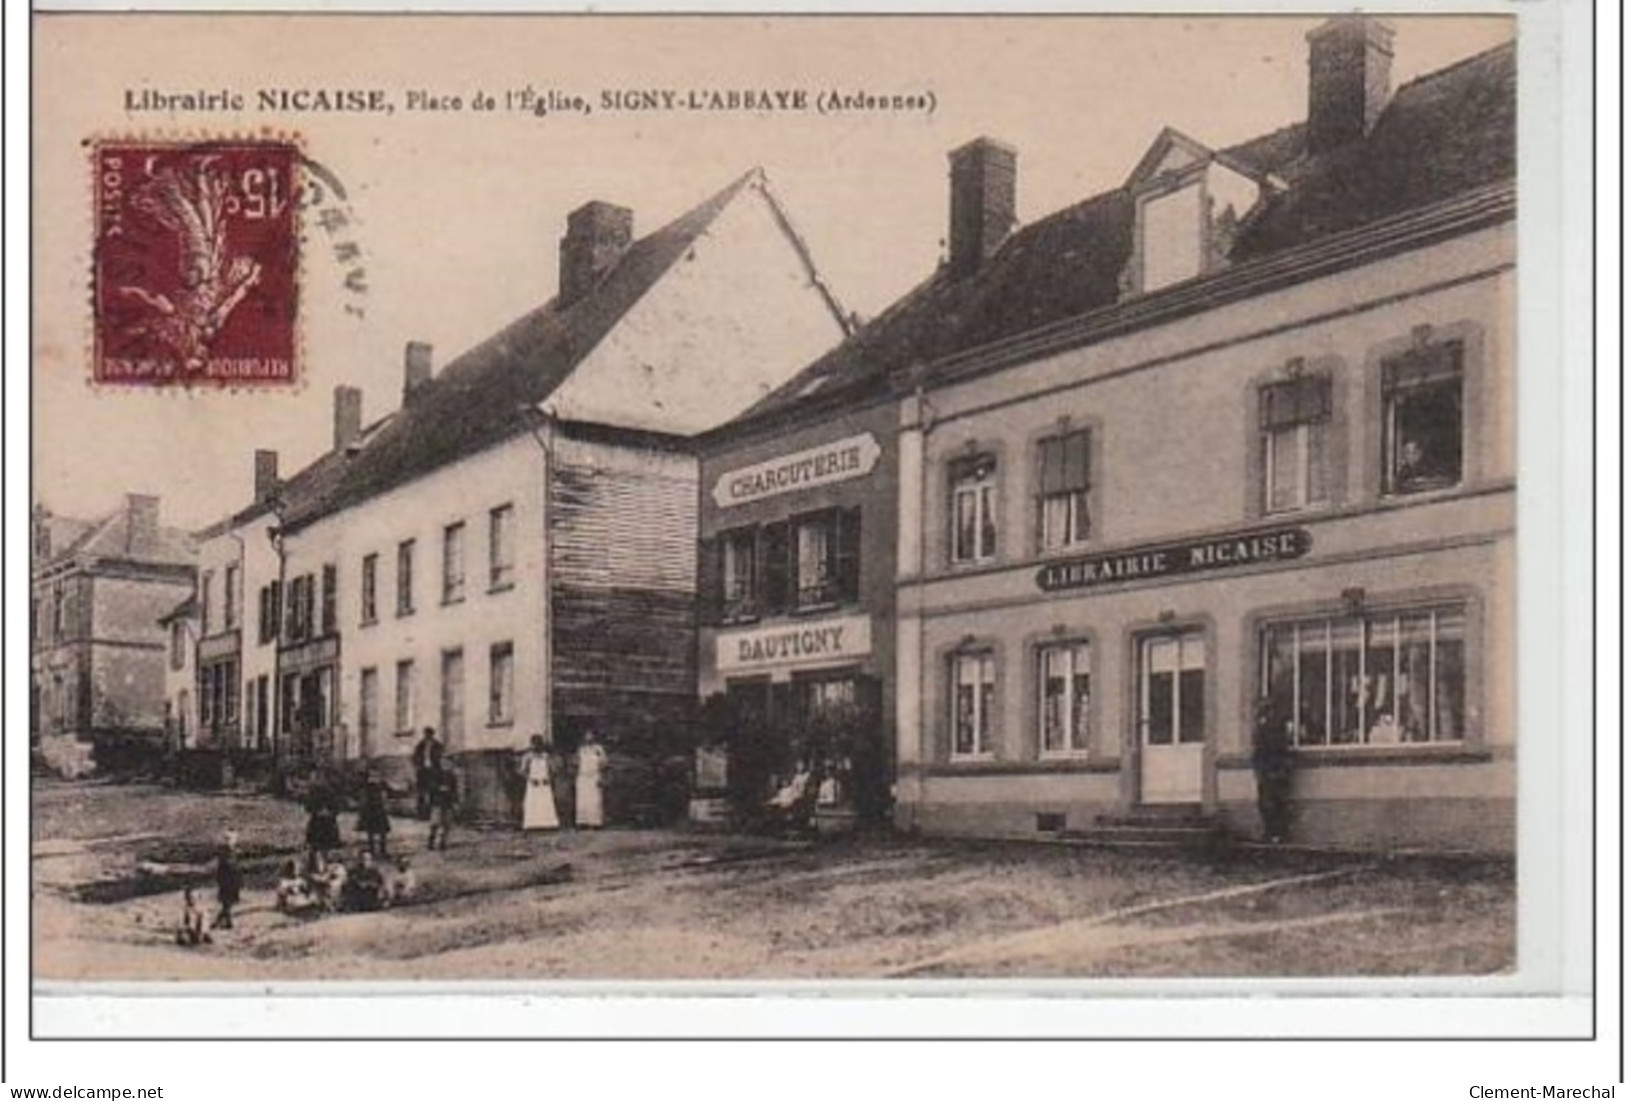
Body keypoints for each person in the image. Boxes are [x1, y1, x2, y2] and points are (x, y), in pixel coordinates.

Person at [1252, 693, 1296, 844]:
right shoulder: (1267, 727)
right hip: (1271, 769)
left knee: (1272, 803)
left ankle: (1275, 833)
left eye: (1265, 710)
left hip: (1272, 768)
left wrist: (1268, 770)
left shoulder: (1271, 728)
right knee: (1272, 803)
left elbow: (1270, 749)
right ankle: (1274, 833)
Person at [519, 736, 559, 832]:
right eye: (534, 744)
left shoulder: (546, 756)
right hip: (533, 783)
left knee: (545, 802)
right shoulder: (527, 757)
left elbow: (553, 769)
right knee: (533, 803)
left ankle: (547, 823)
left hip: (544, 782)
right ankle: (532, 824)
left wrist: (549, 778)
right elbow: (522, 771)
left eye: (538, 744)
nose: (536, 746)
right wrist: (530, 779)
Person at [575, 732, 607, 829]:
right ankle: (582, 822)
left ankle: (595, 822)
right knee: (582, 800)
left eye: (590, 736)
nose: (588, 739)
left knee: (595, 800)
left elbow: (604, 763)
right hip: (583, 776)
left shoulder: (598, 749)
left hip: (594, 776)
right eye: (586, 737)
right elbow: (577, 762)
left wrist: (601, 776)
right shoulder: (581, 749)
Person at [304, 786, 342, 867]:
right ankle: (314, 864)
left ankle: (327, 864)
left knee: (328, 847)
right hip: (317, 823)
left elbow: (338, 808)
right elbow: (308, 807)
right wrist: (317, 811)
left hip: (328, 823)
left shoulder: (333, 792)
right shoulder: (314, 792)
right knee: (315, 846)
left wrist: (330, 812)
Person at [212, 830, 242, 930]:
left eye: (233, 839)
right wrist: (220, 880)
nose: (230, 841)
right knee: (227, 902)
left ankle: (219, 921)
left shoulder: (234, 852)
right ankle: (227, 922)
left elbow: (236, 867)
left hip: (233, 879)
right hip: (226, 880)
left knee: (229, 903)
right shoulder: (223, 853)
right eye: (228, 839)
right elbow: (221, 868)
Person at [427, 761, 461, 851]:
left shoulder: (452, 777)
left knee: (447, 824)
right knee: (435, 823)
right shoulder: (435, 774)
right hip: (437, 802)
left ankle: (443, 842)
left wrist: (455, 802)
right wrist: (439, 788)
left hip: (448, 803)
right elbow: (431, 787)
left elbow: (455, 790)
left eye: (449, 764)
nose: (447, 766)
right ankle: (431, 841)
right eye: (445, 764)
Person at [356, 774, 392, 857]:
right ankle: (373, 850)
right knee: (371, 832)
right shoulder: (366, 789)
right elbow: (363, 801)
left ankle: (382, 849)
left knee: (382, 832)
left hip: (378, 810)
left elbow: (385, 796)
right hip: (371, 811)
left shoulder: (380, 787)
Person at [412, 728, 444, 820]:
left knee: (433, 793)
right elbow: (415, 757)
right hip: (422, 772)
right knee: (421, 793)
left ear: (432, 735)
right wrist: (418, 766)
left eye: (429, 734)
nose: (427, 736)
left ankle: (432, 815)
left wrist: (438, 769)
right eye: (426, 734)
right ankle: (421, 815)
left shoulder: (438, 745)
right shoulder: (420, 745)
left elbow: (440, 758)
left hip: (433, 772)